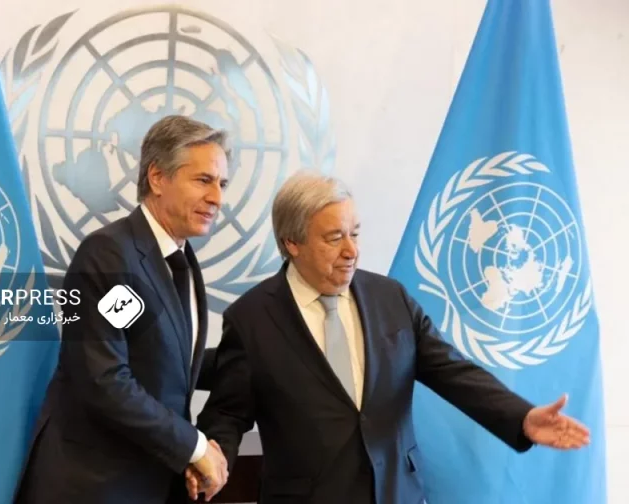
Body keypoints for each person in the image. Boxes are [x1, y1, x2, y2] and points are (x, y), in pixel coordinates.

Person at [188, 172, 590, 504]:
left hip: (397, 491)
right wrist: (212, 456)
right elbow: (229, 411)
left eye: (355, 234)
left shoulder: (390, 298)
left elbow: (453, 372)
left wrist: (521, 417)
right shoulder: (252, 318)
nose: (351, 251)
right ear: (292, 243)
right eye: (334, 238)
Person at [14, 115, 231, 504]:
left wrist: (254, 356)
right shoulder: (112, 255)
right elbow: (105, 377)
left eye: (222, 184)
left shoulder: (181, 259)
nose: (217, 197)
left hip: (149, 483)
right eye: (203, 180)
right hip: (94, 488)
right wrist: (195, 447)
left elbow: (165, 364)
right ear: (157, 178)